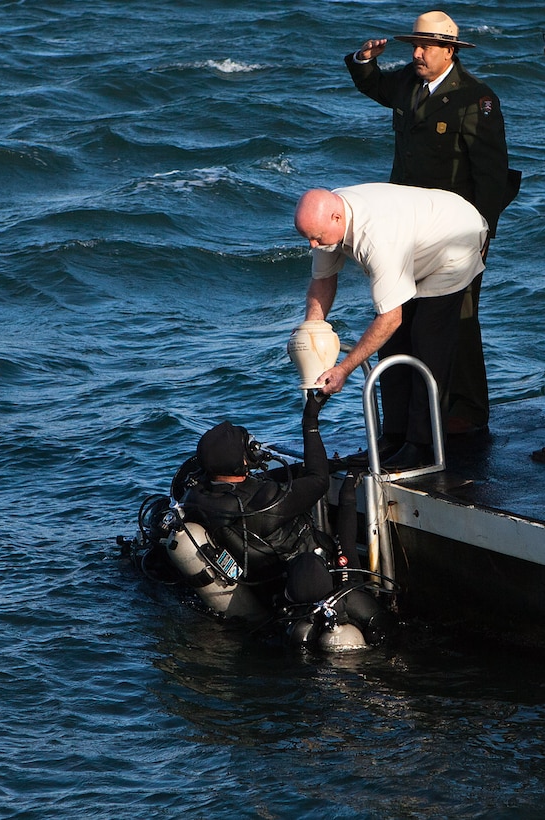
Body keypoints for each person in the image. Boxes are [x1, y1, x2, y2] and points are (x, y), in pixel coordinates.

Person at [343, 10, 519, 435]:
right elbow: (375, 86)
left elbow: (492, 176)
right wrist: (364, 60)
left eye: (426, 47)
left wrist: (483, 233)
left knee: (459, 317)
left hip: (455, 232)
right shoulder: (408, 81)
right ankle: (411, 418)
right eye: (414, 46)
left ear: (450, 52)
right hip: (405, 224)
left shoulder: (476, 99)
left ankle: (468, 410)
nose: (417, 54)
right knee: (407, 317)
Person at [294, 183, 489, 469]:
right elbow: (323, 279)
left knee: (427, 339)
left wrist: (343, 369)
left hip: (457, 239)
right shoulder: (326, 224)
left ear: (337, 218)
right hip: (417, 240)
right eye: (309, 238)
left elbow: (390, 318)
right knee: (392, 346)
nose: (313, 245)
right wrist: (311, 330)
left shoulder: (377, 237)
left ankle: (422, 445)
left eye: (317, 238)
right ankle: (394, 435)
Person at [180, 393, 389, 643]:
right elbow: (318, 481)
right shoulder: (268, 502)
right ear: (242, 461)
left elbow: (262, 482)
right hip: (314, 576)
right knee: (382, 623)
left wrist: (324, 465)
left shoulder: (199, 500)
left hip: (272, 592)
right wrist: (310, 420)